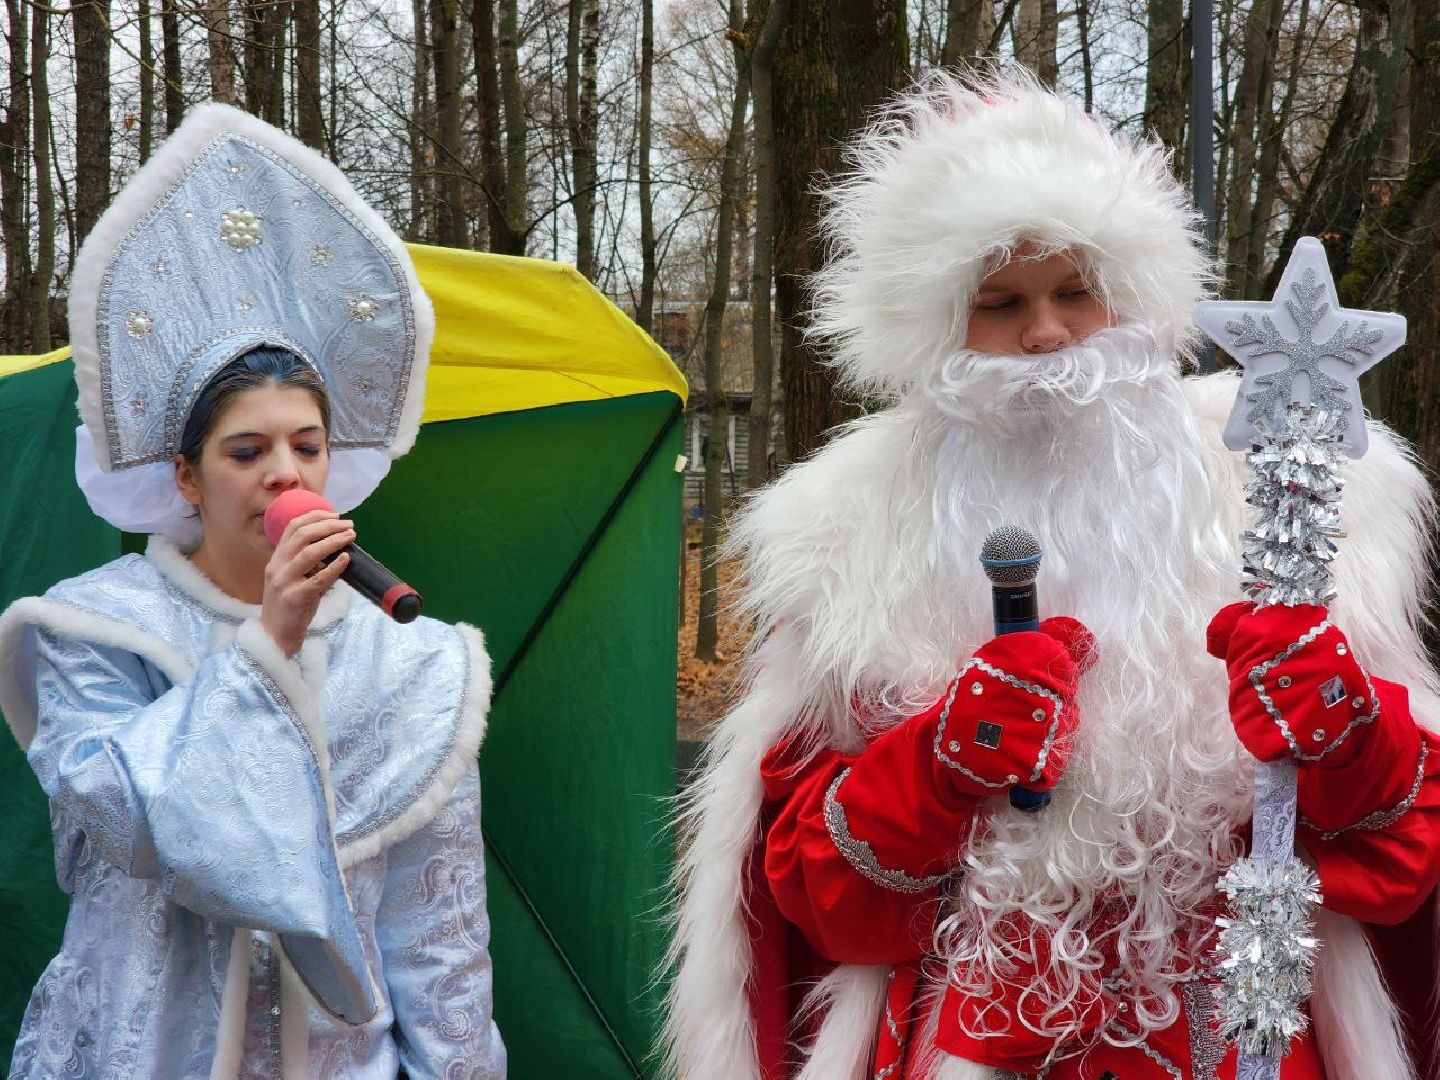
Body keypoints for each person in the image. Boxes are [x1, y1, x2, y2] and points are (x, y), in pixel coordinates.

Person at [665, 70, 1440, 1080]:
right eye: (1001, 305)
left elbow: (1403, 863)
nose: (1047, 335)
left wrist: (1344, 732)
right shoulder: (846, 534)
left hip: (1247, 1033)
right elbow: (822, 900)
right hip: (974, 1036)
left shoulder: (1300, 491)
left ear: (1133, 291)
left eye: (1076, 292)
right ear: (940, 327)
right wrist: (939, 762)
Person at [0, 104, 505, 1078]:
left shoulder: (410, 661)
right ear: (185, 478)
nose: (285, 473)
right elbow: (137, 817)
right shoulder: (93, 630)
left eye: (306, 446)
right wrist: (270, 640)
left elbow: (440, 937)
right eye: (247, 450)